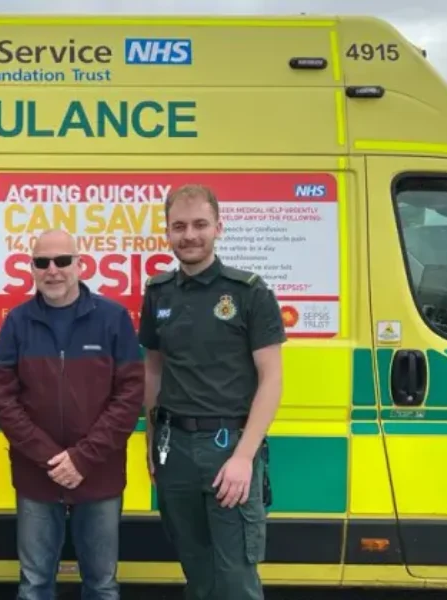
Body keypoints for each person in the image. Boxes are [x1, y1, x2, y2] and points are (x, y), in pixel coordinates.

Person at [139, 184, 286, 600]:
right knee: (197, 573)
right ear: (167, 232)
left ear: (218, 227)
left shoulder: (249, 292)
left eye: (200, 224)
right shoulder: (158, 292)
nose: (189, 235)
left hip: (229, 447)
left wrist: (244, 457)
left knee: (236, 578)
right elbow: (153, 368)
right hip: (175, 449)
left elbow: (271, 378)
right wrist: (152, 441)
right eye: (179, 226)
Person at [0, 229, 144, 600]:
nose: (52, 270)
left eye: (62, 261)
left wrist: (82, 458)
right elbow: (2, 396)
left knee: (102, 585)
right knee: (35, 584)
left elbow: (130, 395)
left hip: (98, 473)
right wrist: (49, 457)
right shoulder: (18, 322)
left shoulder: (113, 318)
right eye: (42, 262)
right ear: (32, 268)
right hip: (36, 475)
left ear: (80, 264)